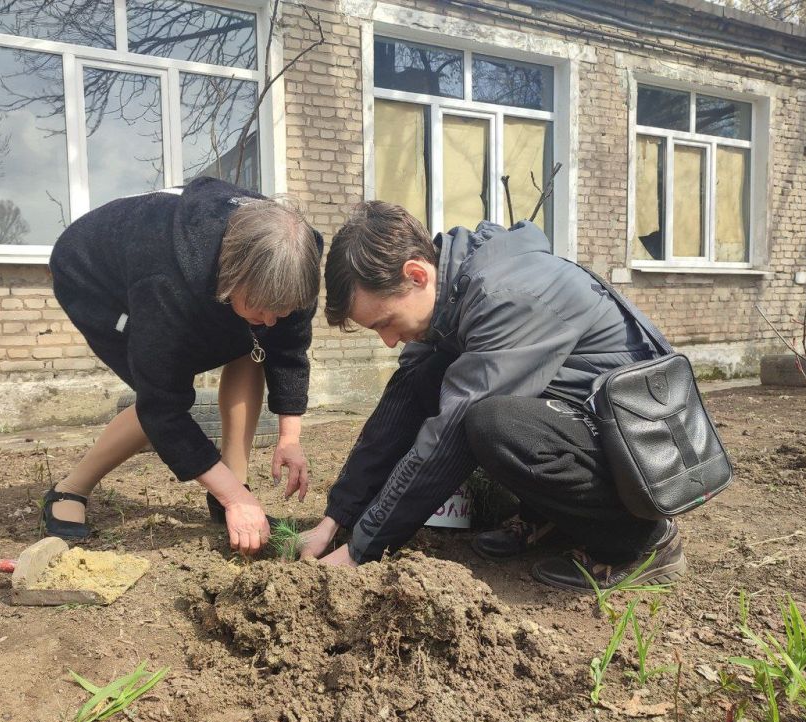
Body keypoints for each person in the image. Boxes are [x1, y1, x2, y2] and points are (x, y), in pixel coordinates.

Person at [299, 201, 686, 591]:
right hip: (591, 422)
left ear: (416, 275)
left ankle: (641, 541)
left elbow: (446, 440)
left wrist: (359, 552)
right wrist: (337, 518)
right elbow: (400, 406)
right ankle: (548, 518)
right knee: (428, 378)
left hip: (650, 444)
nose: (388, 341)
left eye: (386, 322)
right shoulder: (452, 295)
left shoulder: (504, 297)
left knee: (492, 423)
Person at [46, 177, 322, 556]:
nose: (273, 318)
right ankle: (71, 488)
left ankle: (233, 484)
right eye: (260, 306)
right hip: (95, 279)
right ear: (232, 276)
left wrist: (290, 438)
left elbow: (287, 344)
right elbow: (164, 409)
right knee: (159, 391)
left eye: (282, 310)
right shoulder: (165, 285)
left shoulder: (294, 262)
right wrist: (234, 500)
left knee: (253, 341)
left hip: (195, 271)